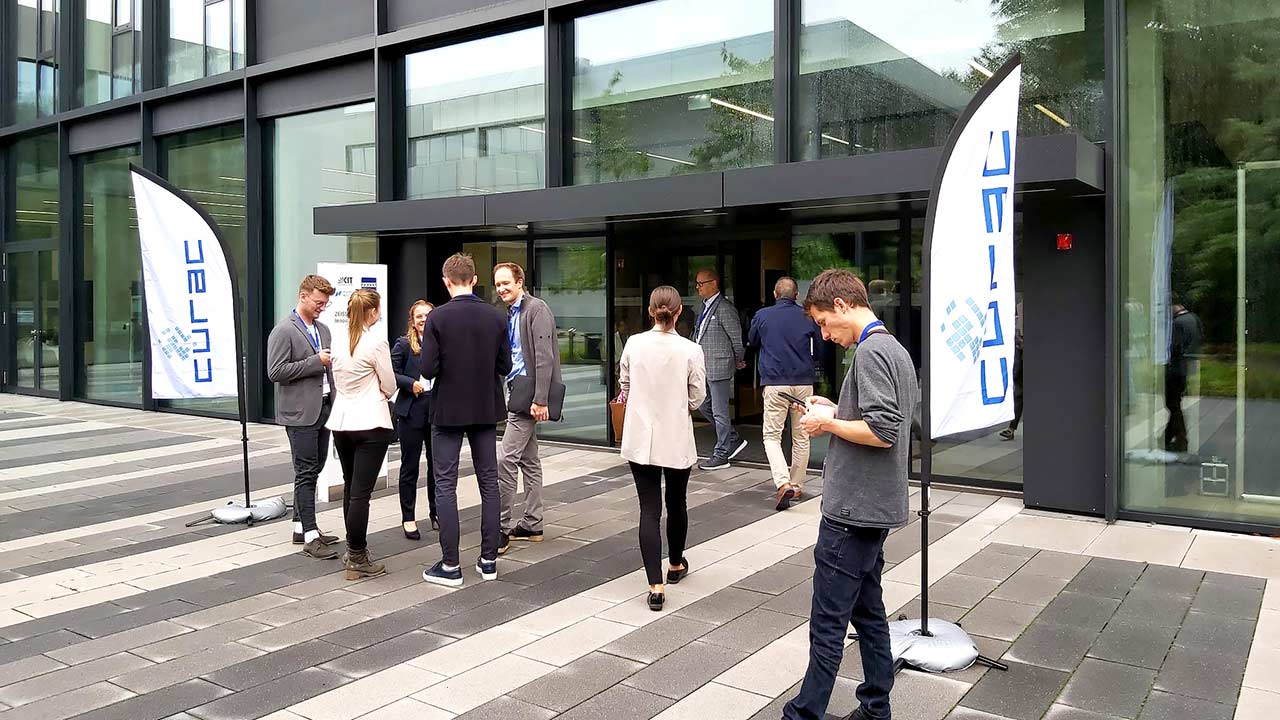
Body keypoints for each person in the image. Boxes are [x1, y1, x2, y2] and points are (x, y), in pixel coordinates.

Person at [783, 269, 918, 720]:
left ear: (842, 305)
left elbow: (883, 430)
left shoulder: (871, 353)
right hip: (874, 506)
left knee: (827, 624)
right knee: (869, 615)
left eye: (823, 322)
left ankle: (804, 713)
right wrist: (836, 410)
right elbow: (887, 419)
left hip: (853, 510)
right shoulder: (895, 349)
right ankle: (876, 707)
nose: (825, 334)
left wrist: (827, 424)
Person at [420, 253, 511, 587]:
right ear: (474, 279)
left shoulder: (437, 319)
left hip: (447, 410)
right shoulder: (496, 317)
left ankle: (450, 565)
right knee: (489, 482)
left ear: (447, 282)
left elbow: (427, 368)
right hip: (485, 408)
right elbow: (504, 365)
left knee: (445, 483)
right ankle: (488, 560)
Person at [619, 286, 706, 612]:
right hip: (676, 435)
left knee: (649, 509)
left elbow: (624, 386)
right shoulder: (690, 349)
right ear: (679, 312)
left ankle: (655, 585)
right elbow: (697, 396)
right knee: (677, 501)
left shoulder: (634, 344)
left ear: (650, 311)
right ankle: (675, 564)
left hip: (641, 435)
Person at [266, 275, 341, 561]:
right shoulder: (284, 330)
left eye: (325, 303)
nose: (323, 307)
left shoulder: (322, 330)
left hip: (323, 408)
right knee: (307, 471)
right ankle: (311, 535)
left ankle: (300, 526)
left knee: (315, 467)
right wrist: (314, 362)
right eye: (319, 302)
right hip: (299, 414)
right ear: (303, 296)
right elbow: (275, 372)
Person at [326, 288, 396, 581]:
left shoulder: (338, 340)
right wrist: (383, 392)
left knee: (350, 486)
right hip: (371, 422)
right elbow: (390, 383)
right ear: (373, 312)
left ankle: (354, 550)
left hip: (342, 422)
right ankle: (357, 554)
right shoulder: (376, 342)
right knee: (361, 494)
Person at [494, 262, 562, 554]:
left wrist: (541, 399)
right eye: (497, 284)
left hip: (528, 396)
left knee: (505, 459)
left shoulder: (536, 309)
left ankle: (500, 528)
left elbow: (544, 356)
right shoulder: (512, 312)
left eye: (506, 283)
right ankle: (533, 522)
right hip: (518, 391)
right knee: (529, 460)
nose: (501, 289)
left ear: (520, 281)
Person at [749, 277, 820, 511]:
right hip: (803, 382)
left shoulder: (763, 316)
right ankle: (797, 485)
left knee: (771, 436)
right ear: (796, 295)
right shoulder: (807, 316)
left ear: (774, 294)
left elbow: (752, 340)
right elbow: (820, 347)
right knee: (801, 436)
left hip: (775, 382)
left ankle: (782, 482)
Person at [392, 300, 438, 540]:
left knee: (437, 466)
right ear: (412, 320)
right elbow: (391, 374)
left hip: (436, 411)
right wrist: (411, 384)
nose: (424, 319)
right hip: (411, 411)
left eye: (428, 315)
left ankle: (436, 512)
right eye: (419, 316)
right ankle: (408, 517)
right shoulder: (403, 344)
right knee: (409, 467)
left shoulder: (441, 342)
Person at [692, 268, 746, 470]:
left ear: (713, 283)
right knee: (702, 404)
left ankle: (722, 453)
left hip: (719, 367)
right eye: (696, 284)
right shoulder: (705, 307)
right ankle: (732, 438)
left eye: (701, 284)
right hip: (704, 366)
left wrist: (738, 359)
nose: (697, 288)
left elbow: (736, 339)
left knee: (719, 410)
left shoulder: (724, 308)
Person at [1164, 302, 1202, 453]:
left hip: (1177, 369)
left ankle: (1181, 439)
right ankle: (1168, 437)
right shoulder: (1193, 318)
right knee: (1175, 404)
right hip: (1188, 366)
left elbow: (1174, 347)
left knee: (1173, 404)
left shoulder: (1177, 323)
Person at [1000, 301, 1025, 441]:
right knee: (1019, 391)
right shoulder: (1019, 307)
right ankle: (1011, 427)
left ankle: (1012, 428)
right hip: (1021, 352)